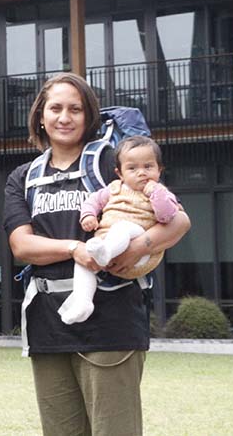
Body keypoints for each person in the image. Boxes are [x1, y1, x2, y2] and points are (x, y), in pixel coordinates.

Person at [4, 72, 190, 436]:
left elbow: (178, 221)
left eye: (75, 109)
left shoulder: (112, 163)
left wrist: (139, 246)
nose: (64, 117)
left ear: (89, 116)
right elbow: (21, 246)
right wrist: (75, 248)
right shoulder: (24, 176)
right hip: (49, 326)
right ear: (40, 115)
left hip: (112, 322)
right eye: (55, 108)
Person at [59, 135, 180, 325]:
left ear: (159, 169)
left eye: (148, 167)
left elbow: (167, 216)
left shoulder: (162, 193)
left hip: (139, 247)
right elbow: (93, 201)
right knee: (84, 259)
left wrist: (155, 193)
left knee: (122, 227)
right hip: (107, 244)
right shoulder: (114, 188)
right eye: (132, 168)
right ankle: (82, 302)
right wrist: (89, 216)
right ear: (120, 173)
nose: (141, 173)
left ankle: (105, 252)